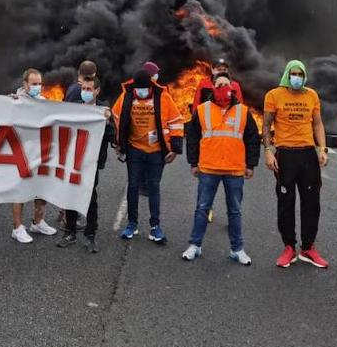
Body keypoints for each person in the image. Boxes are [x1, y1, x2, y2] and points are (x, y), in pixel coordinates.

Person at [182, 73, 260, 265]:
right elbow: (191, 137)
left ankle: (237, 249)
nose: (222, 88)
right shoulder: (202, 110)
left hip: (234, 170)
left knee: (235, 211)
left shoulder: (243, 111)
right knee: (202, 208)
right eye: (219, 85)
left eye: (226, 84)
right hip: (208, 168)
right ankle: (195, 245)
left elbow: (252, 139)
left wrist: (251, 165)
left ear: (232, 88)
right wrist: (193, 162)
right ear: (213, 88)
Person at [263, 60, 329, 269]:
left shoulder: (311, 95)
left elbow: (317, 123)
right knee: (286, 203)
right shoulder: (273, 95)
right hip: (285, 154)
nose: (297, 77)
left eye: (300, 73)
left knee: (312, 203)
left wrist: (323, 148)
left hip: (308, 153)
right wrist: (268, 151)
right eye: (294, 73)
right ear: (287, 75)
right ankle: (289, 247)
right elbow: (265, 125)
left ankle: (308, 248)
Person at [113, 67, 183, 244]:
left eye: (145, 88)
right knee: (133, 186)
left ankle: (155, 226)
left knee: (154, 187)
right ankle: (131, 224)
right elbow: (116, 118)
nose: (141, 91)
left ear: (151, 87)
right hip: (134, 149)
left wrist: (174, 148)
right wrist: (118, 143)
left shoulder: (163, 97)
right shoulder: (127, 97)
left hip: (156, 152)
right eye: (138, 88)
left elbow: (176, 121)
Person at [59, 71, 113, 253]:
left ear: (97, 91)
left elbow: (113, 136)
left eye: (89, 89)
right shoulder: (73, 107)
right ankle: (70, 232)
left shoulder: (104, 110)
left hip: (92, 161)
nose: (85, 92)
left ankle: (91, 234)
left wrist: (106, 122)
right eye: (83, 88)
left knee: (90, 197)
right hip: (73, 159)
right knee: (70, 194)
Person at [8, 68, 58, 243]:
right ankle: (17, 227)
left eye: (39, 84)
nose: (37, 87)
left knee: (41, 190)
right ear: (25, 84)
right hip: (21, 154)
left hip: (40, 153)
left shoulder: (44, 101)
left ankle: (38, 222)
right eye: (34, 84)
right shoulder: (15, 101)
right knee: (20, 192)